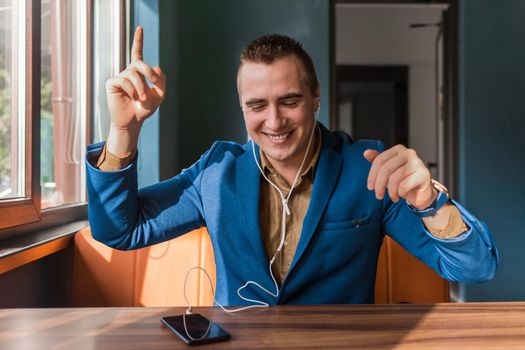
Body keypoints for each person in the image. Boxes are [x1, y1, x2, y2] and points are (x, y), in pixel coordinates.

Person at [86, 26, 498, 306]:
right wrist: (124, 131)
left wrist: (429, 202)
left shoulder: (365, 170)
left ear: (316, 97)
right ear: (242, 108)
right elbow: (119, 230)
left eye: (290, 101)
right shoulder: (216, 172)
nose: (274, 121)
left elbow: (475, 267)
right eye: (257, 105)